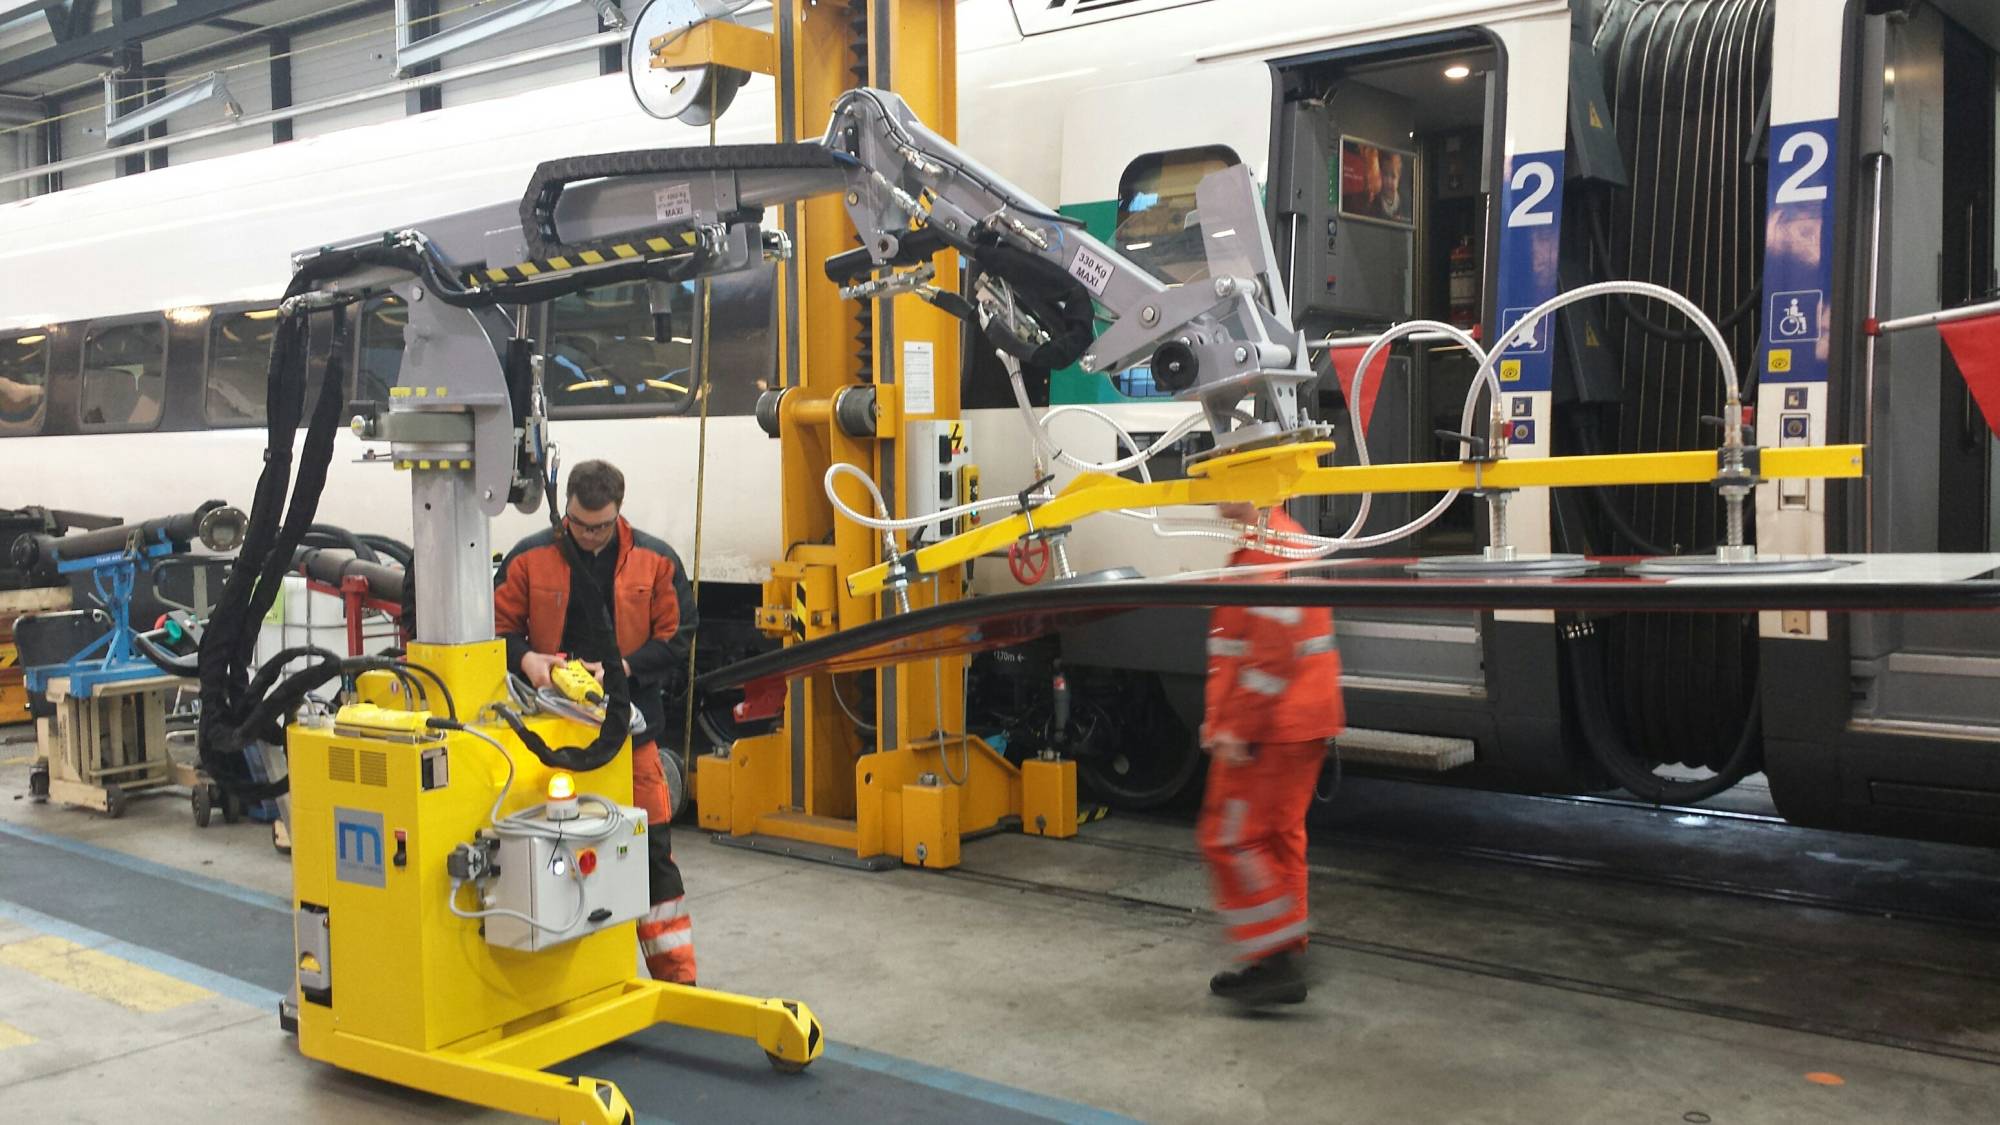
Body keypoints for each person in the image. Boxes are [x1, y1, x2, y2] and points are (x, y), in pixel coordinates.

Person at [494, 459, 701, 984]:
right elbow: (494, 627)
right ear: (565, 512)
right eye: (579, 525)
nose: (588, 537)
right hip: (549, 741)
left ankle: (678, 981)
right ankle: (566, 983)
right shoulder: (528, 559)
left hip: (633, 738)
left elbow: (677, 638)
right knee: (549, 854)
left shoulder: (655, 562)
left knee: (652, 857)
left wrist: (621, 668)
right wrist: (527, 660)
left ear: (618, 514)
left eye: (600, 526)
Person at [1197, 500, 1345, 1007]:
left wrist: (1236, 727)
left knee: (1229, 839)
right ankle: (1286, 945)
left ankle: (1274, 957)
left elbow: (1269, 655)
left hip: (1273, 727)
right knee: (1280, 837)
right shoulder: (1282, 536)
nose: (1213, 488)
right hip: (1302, 719)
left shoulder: (1264, 550)